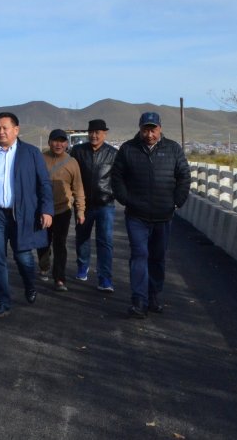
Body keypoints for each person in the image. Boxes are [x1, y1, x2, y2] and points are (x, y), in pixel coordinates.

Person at [0, 112, 54, 318]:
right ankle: (2, 302)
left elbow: (44, 183)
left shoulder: (31, 153)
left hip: (22, 215)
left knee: (23, 257)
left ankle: (29, 284)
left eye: (5, 128)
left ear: (16, 130)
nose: (0, 131)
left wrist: (46, 209)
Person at [111, 112, 190, 319]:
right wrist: (125, 199)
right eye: (145, 129)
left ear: (160, 129)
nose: (149, 134)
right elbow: (116, 176)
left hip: (163, 215)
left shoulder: (173, 149)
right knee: (139, 255)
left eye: (153, 130)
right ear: (140, 129)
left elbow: (184, 176)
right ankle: (139, 300)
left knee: (158, 257)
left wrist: (176, 201)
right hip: (136, 215)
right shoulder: (128, 149)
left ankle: (153, 295)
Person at [70, 118, 118, 292]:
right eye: (91, 132)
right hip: (83, 204)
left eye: (97, 132)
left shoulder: (113, 153)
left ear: (105, 134)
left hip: (106, 204)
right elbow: (71, 174)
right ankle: (83, 266)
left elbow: (119, 177)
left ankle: (105, 278)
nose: (94, 136)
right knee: (82, 237)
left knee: (105, 241)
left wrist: (114, 194)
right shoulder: (78, 151)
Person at [40, 129, 86, 292]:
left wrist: (80, 210)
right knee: (43, 243)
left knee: (60, 244)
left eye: (62, 141)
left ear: (66, 144)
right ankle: (44, 265)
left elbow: (78, 188)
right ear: (49, 142)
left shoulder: (72, 162)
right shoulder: (40, 159)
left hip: (63, 210)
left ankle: (59, 278)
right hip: (42, 210)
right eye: (55, 141)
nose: (58, 144)